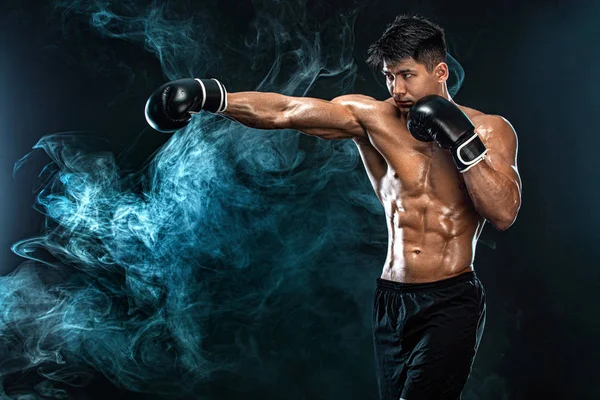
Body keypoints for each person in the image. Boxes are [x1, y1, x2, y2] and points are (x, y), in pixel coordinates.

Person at [144, 14, 522, 400]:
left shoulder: (490, 129)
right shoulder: (373, 118)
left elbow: (504, 212)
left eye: (407, 75)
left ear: (439, 70)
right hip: (391, 299)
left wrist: (463, 144)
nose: (398, 89)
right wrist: (212, 96)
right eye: (390, 77)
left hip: (450, 299)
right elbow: (287, 111)